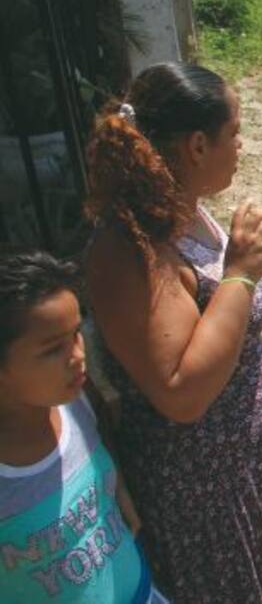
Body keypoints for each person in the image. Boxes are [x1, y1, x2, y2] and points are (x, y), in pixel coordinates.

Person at [84, 62, 262, 603]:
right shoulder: (132, 248)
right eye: (235, 131)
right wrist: (242, 272)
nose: (242, 144)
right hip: (204, 492)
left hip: (237, 473)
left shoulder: (178, 211)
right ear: (197, 145)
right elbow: (181, 392)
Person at [0, 250, 169, 603]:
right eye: (52, 349)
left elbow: (98, 440)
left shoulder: (74, 400)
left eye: (76, 333)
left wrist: (117, 487)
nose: (78, 354)